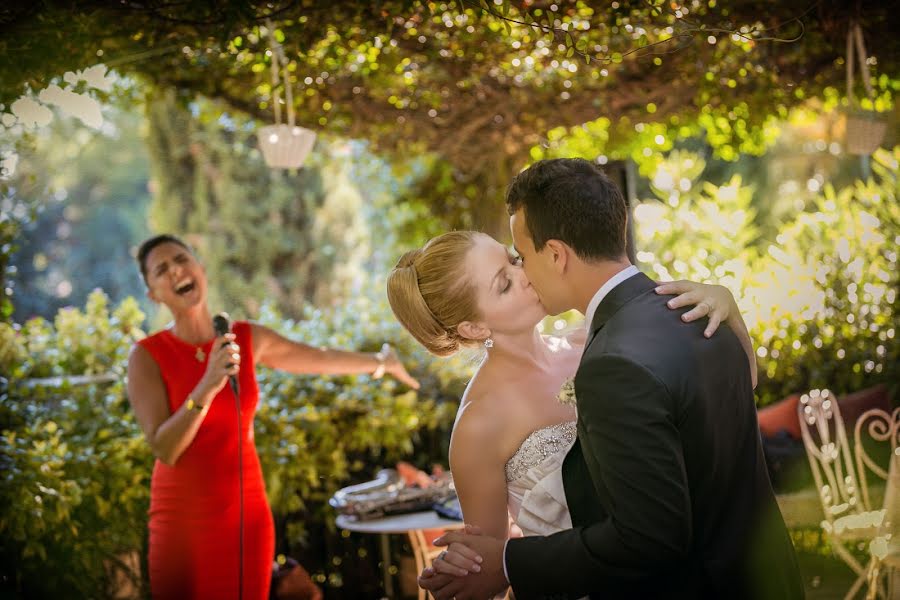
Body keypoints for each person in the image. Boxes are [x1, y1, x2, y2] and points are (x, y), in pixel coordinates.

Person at [416, 159, 803, 599]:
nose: (524, 276)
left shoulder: (613, 344)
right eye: (505, 281)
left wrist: (727, 306)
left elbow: (650, 533)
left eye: (517, 259)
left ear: (556, 254)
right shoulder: (657, 324)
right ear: (472, 328)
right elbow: (482, 563)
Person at [126, 234, 419, 600]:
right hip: (182, 521)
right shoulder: (146, 356)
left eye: (182, 260)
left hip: (245, 513)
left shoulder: (244, 339)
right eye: (162, 270)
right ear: (153, 293)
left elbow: (318, 358)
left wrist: (382, 363)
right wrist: (207, 386)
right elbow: (165, 448)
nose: (176, 271)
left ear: (200, 269)